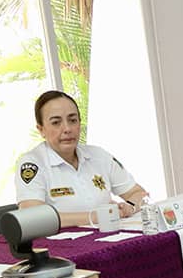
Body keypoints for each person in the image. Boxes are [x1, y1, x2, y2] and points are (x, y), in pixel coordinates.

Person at [14, 90, 149, 227]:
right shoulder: (32, 164)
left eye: (73, 120)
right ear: (41, 129)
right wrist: (95, 217)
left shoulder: (99, 155)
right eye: (56, 122)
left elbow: (140, 194)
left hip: (110, 238)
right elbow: (33, 218)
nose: (67, 129)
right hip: (63, 245)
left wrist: (130, 207)